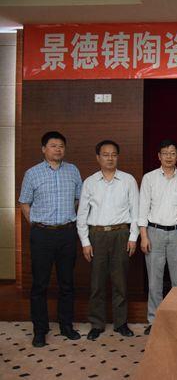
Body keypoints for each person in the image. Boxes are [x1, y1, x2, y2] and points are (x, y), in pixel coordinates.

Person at [19, 131, 82, 347]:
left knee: (67, 283)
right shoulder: (32, 173)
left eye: (61, 146)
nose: (58, 149)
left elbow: (78, 199)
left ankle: (66, 326)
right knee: (39, 284)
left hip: (66, 233)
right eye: (53, 145)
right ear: (44, 149)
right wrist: (37, 224)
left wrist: (64, 218)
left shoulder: (73, 170)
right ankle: (40, 330)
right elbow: (24, 203)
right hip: (42, 234)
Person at [77, 140, 139, 340]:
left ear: (117, 157)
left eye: (113, 154)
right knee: (97, 283)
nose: (110, 158)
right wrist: (85, 242)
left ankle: (121, 323)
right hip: (97, 236)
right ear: (98, 158)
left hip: (121, 234)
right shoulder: (90, 182)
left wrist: (133, 237)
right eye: (105, 154)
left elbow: (136, 211)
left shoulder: (128, 180)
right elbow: (82, 215)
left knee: (120, 282)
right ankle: (97, 324)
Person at [138, 139, 177, 335]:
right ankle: (154, 321)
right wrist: (143, 236)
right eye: (165, 153)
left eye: (172, 153)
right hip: (154, 233)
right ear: (159, 156)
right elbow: (143, 208)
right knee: (155, 281)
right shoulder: (149, 178)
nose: (169, 157)